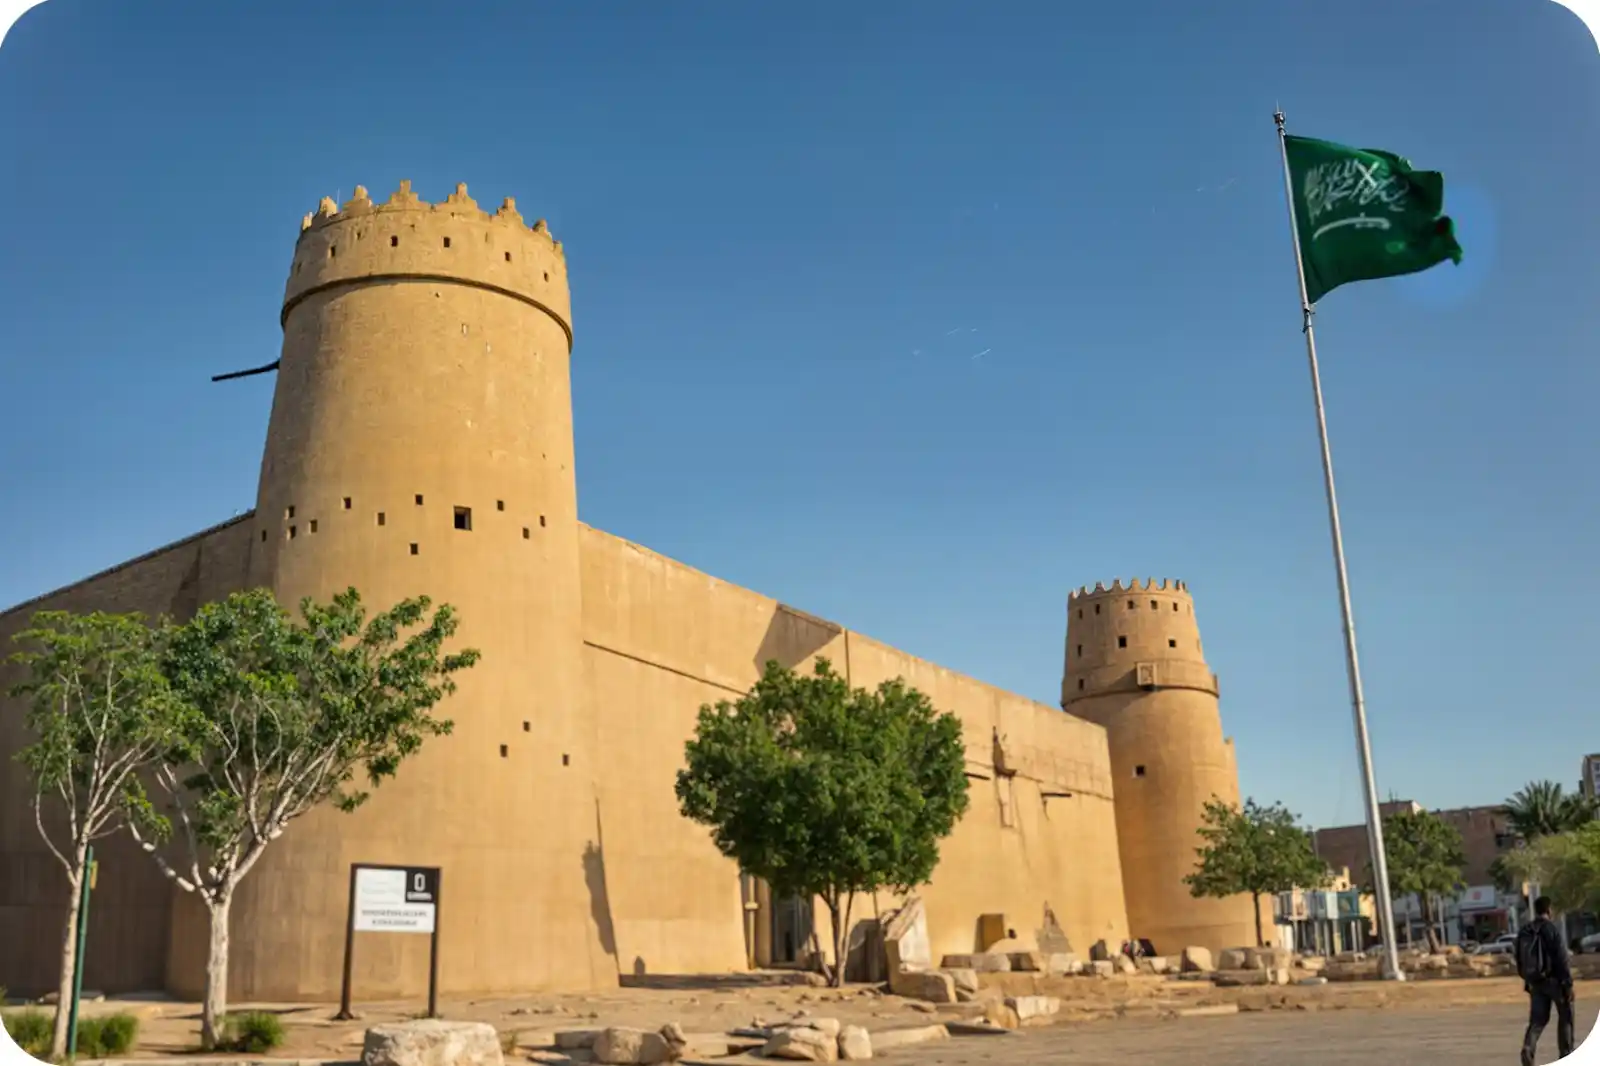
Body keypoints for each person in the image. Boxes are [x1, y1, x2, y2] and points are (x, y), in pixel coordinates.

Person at [1517, 896, 1575, 1066]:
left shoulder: (1525, 931)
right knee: (1566, 1016)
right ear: (1549, 910)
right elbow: (1562, 959)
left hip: (1536, 982)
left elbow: (1519, 958)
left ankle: (1528, 1048)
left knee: (1537, 1020)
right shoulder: (1551, 929)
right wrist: (1568, 984)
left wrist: (1528, 979)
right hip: (1555, 982)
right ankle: (1566, 1054)